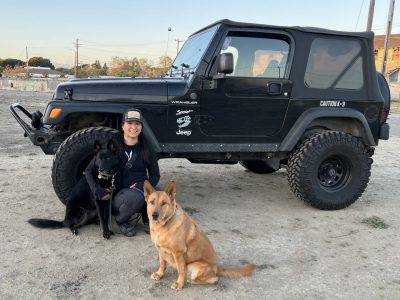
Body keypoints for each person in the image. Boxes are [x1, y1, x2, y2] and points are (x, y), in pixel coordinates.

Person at [85, 108, 160, 237]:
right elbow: (88, 170)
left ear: (141, 127)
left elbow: (155, 175)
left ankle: (146, 218)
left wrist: (145, 186)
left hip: (140, 186)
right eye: (129, 123)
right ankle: (122, 220)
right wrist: (97, 189)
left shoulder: (146, 147)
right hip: (119, 190)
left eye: (137, 124)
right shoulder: (112, 144)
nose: (133, 127)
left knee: (160, 196)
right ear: (123, 126)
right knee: (134, 198)